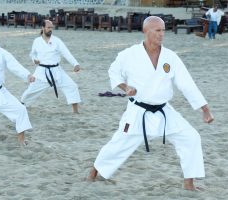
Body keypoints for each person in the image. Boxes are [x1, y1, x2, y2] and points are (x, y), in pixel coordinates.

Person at [87, 16, 214, 191]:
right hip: (138, 111)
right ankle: (94, 172)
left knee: (190, 137)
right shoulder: (129, 54)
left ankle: (189, 183)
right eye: (157, 30)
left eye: (163, 30)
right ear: (146, 31)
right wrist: (125, 87)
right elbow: (113, 71)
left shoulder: (171, 57)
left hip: (164, 111)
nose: (162, 34)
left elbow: (187, 84)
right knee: (119, 143)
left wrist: (204, 109)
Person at [21, 20, 81, 114]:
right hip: (41, 71)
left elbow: (66, 53)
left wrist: (75, 64)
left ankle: (75, 111)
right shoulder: (37, 41)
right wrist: (34, 60)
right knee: (30, 91)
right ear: (43, 28)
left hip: (57, 70)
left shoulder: (56, 41)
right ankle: (21, 106)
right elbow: (32, 54)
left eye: (51, 28)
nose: (50, 29)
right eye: (48, 27)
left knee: (72, 86)